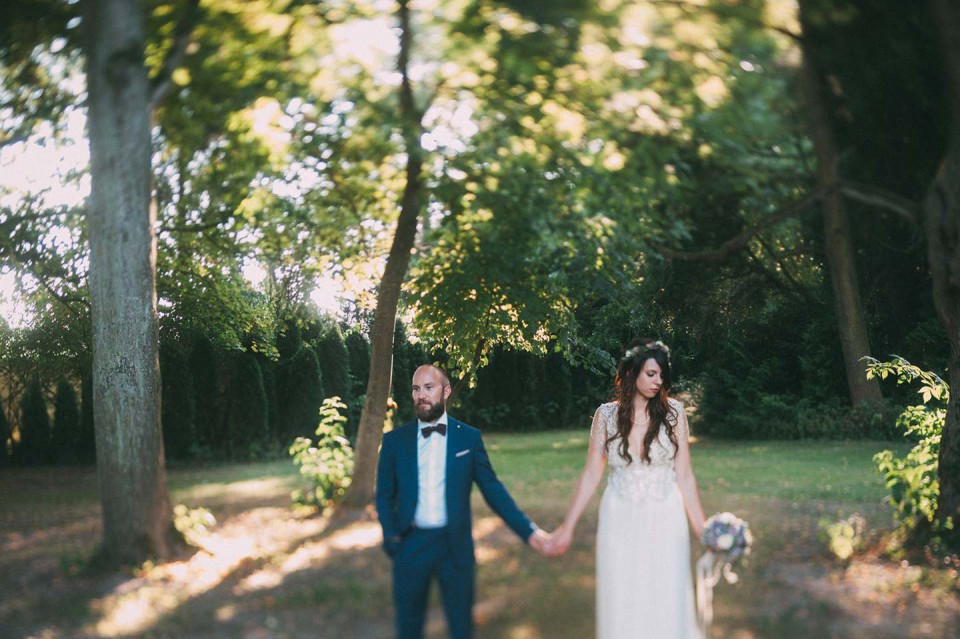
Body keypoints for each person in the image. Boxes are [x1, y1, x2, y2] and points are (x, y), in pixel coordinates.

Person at [544, 339, 706, 639]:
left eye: (661, 375)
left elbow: (684, 475)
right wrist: (567, 527)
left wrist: (703, 528)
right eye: (651, 374)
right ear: (631, 373)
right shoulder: (605, 415)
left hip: (665, 515)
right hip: (620, 515)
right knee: (622, 592)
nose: (659, 381)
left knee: (665, 590)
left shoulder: (675, 414)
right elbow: (592, 473)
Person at [376, 364, 551, 639]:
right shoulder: (395, 441)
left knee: (461, 628)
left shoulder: (469, 438)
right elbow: (384, 495)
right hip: (411, 545)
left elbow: (493, 490)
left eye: (428, 387)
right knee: (408, 628)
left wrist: (529, 531)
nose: (421, 394)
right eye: (416, 388)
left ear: (446, 391)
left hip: (454, 547)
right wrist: (391, 537)